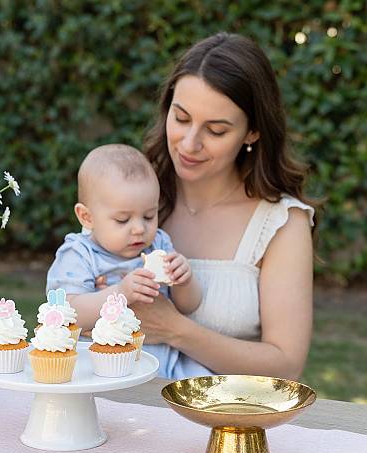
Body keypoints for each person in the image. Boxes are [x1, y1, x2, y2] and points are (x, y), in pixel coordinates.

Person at [121, 32, 316, 380]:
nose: (190, 143)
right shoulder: (136, 194)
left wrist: (174, 329)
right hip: (123, 414)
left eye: (216, 130)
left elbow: (286, 365)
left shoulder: (280, 223)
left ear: (252, 132)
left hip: (229, 424)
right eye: (181, 118)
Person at [46, 143, 202, 333]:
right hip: (106, 360)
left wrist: (184, 281)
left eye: (149, 216)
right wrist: (120, 293)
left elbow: (188, 306)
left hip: (163, 360)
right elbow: (66, 314)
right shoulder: (79, 254)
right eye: (123, 219)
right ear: (87, 217)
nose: (139, 229)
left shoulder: (159, 245)